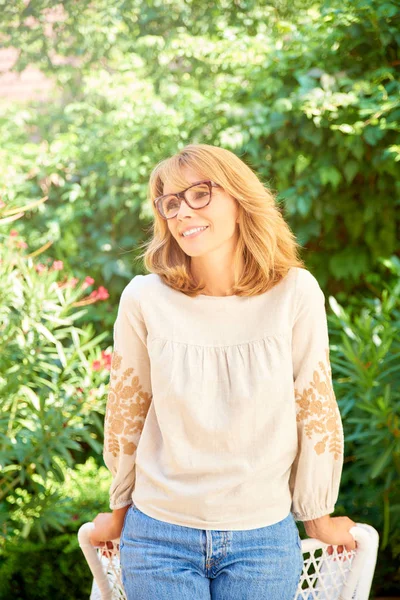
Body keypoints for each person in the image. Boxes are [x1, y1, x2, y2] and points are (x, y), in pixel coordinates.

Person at [90, 143, 357, 599]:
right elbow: (127, 411)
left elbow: (314, 405)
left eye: (199, 193)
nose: (181, 212)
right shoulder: (143, 299)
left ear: (239, 198)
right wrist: (118, 508)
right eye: (170, 203)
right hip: (158, 536)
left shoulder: (296, 293)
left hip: (263, 539)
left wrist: (317, 514)